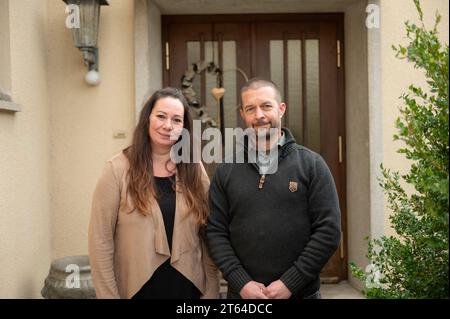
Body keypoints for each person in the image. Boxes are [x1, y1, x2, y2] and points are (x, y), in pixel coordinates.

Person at [206, 78, 341, 299]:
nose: (259, 115)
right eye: (251, 109)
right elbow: (215, 232)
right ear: (243, 115)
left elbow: (329, 231)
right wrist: (242, 283)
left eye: (266, 106)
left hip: (301, 295)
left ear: (281, 109)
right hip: (242, 297)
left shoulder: (311, 165)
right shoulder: (226, 171)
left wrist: (290, 282)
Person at [88, 87, 220, 299]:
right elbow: (100, 242)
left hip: (188, 291)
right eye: (161, 116)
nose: (168, 125)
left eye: (177, 120)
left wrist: (211, 291)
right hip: (136, 291)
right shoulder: (117, 169)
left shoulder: (194, 169)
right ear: (147, 119)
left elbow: (208, 235)